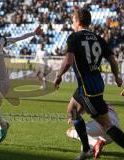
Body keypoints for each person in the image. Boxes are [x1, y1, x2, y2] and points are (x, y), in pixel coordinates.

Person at [53, 7, 124, 160]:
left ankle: (87, 149)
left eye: (73, 20)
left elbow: (68, 61)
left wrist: (58, 76)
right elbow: (113, 61)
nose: (72, 23)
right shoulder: (99, 38)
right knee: (72, 111)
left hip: (88, 89)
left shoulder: (74, 37)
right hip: (94, 84)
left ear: (77, 21)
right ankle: (86, 149)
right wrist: (117, 78)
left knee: (106, 125)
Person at [66, 89, 120, 160]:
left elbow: (76, 115)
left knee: (71, 130)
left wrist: (71, 117)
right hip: (113, 131)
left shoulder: (84, 98)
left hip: (102, 124)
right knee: (84, 146)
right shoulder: (99, 99)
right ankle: (98, 144)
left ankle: (94, 143)